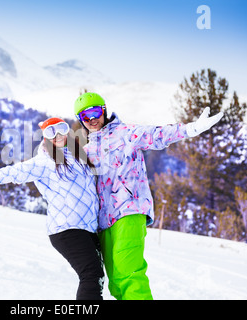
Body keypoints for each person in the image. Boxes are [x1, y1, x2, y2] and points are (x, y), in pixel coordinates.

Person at [73, 92, 223, 300]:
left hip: (129, 210)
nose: (91, 120)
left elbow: (157, 135)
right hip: (103, 222)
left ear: (104, 110)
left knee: (129, 273)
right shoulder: (87, 151)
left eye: (95, 112)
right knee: (116, 282)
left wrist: (191, 129)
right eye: (85, 116)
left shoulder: (125, 133)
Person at [0, 117, 104, 300]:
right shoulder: (44, 161)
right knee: (91, 274)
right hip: (67, 228)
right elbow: (12, 172)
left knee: (97, 278)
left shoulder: (79, 156)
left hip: (87, 229)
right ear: (44, 137)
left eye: (61, 129)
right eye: (51, 132)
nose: (57, 135)